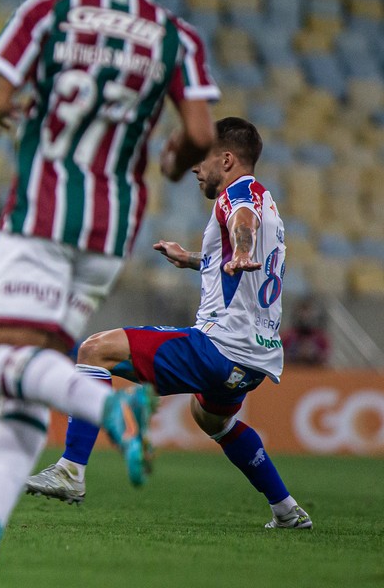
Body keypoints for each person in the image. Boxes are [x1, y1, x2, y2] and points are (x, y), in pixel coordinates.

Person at [0, 0, 219, 566]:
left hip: (42, 216)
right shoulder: (177, 35)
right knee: (30, 373)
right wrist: (174, 163)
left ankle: (107, 405)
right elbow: (199, 132)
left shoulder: (49, 10)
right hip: (111, 228)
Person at [27, 117, 312, 530]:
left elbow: (241, 223)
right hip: (255, 360)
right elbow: (241, 253)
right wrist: (195, 260)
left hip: (219, 347)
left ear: (227, 159)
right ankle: (286, 510)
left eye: (202, 158)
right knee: (211, 418)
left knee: (94, 350)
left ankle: (71, 470)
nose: (196, 168)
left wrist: (243, 248)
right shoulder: (270, 206)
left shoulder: (238, 196)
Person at [281, 296, 330, 366]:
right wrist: (297, 353)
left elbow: (325, 358)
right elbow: (280, 357)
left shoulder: (320, 338)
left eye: (308, 312)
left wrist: (313, 354)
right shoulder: (287, 336)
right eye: (302, 312)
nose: (305, 316)